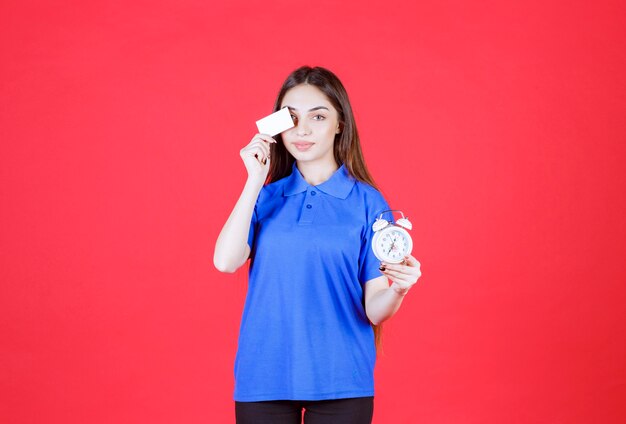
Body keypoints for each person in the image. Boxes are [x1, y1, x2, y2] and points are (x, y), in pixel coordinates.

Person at [214, 66, 422, 424]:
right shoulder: (265, 196)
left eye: (318, 116)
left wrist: (400, 288)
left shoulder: (367, 202)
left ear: (340, 123)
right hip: (264, 376)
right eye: (291, 118)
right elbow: (226, 262)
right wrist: (254, 179)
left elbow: (375, 309)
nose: (302, 130)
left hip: (342, 380)